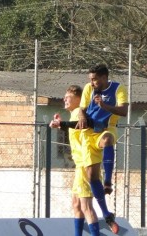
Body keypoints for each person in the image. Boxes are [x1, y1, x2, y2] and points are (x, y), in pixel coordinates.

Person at [76, 64, 127, 234]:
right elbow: (82, 109)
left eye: (95, 79)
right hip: (88, 134)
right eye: (90, 79)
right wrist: (82, 115)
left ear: (104, 78)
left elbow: (124, 111)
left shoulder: (118, 88)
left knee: (107, 139)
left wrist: (104, 106)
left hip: (106, 128)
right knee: (91, 176)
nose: (92, 82)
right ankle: (106, 214)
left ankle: (107, 181)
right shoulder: (88, 89)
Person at [50, 86, 100, 236]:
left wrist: (61, 124)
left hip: (86, 163)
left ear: (78, 99)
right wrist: (61, 125)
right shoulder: (74, 115)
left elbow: (82, 126)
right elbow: (77, 130)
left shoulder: (80, 112)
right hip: (80, 165)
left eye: (68, 96)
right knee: (76, 203)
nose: (64, 99)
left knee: (86, 206)